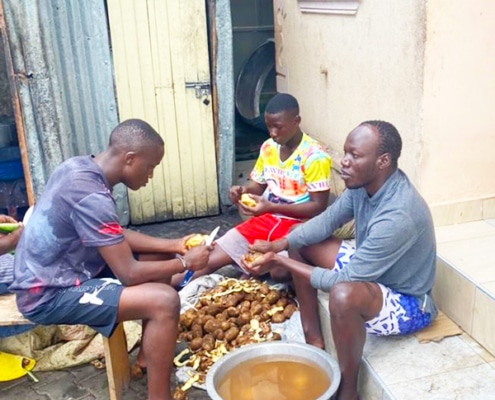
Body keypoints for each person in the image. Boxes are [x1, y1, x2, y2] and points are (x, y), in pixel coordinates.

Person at [9, 119, 212, 400]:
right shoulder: (92, 195)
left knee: (159, 255)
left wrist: (175, 245)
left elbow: (111, 232)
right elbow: (129, 272)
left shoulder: (79, 167)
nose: (151, 175)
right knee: (165, 300)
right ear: (130, 159)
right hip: (49, 293)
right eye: (150, 167)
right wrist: (186, 263)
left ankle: (146, 355)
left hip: (69, 268)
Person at [242, 120, 437, 400]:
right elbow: (327, 221)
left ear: (382, 161)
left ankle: (348, 390)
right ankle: (314, 336)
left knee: (343, 295)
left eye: (354, 155)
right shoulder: (363, 184)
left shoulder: (399, 214)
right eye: (345, 152)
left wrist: (280, 261)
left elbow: (343, 281)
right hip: (373, 272)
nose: (343, 162)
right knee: (299, 235)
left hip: (408, 300)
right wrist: (280, 244)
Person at [172, 93, 332, 286]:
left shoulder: (314, 156)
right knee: (210, 257)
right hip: (266, 221)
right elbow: (258, 185)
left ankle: (253, 270)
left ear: (296, 121)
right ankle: (165, 285)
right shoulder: (268, 148)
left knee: (278, 273)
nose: (272, 133)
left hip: (296, 228)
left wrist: (271, 207)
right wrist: (243, 191)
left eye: (278, 127)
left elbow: (318, 207)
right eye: (269, 126)